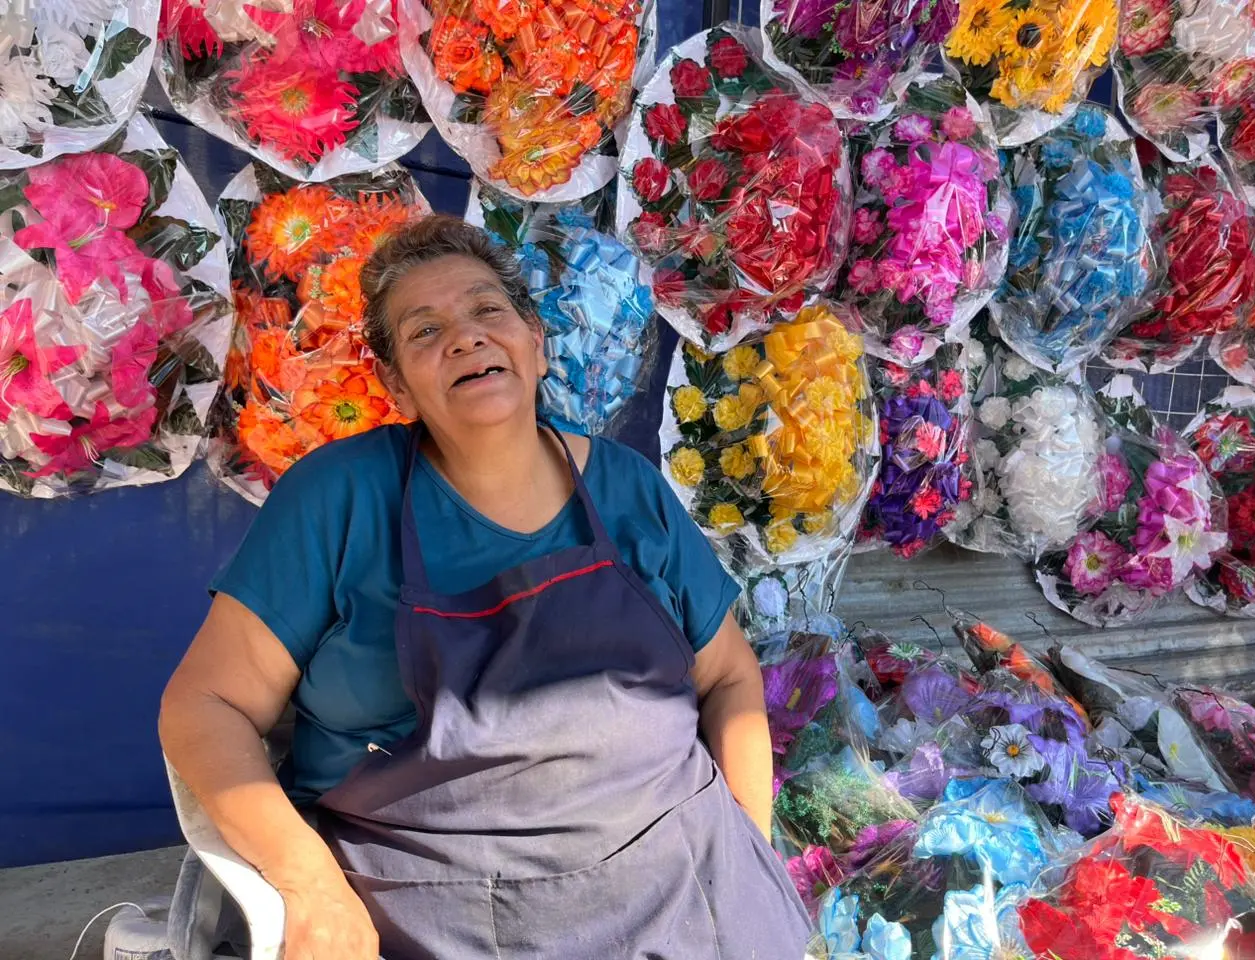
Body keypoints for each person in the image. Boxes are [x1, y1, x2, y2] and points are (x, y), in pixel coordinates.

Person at [159, 216, 810, 960]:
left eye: (486, 311)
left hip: (679, 885)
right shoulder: (338, 499)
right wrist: (308, 885)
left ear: (535, 344)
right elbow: (201, 707)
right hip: (435, 911)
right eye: (424, 330)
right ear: (396, 385)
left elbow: (729, 675)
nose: (465, 338)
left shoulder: (628, 489)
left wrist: (746, 849)